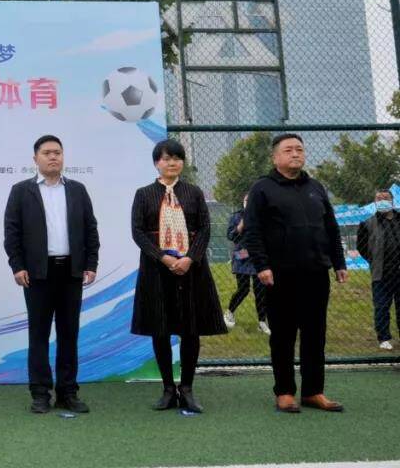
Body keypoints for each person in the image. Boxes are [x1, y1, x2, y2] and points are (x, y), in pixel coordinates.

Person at [242, 133, 348, 413]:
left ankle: (313, 391)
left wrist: (339, 262)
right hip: (279, 276)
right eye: (288, 150)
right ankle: (285, 392)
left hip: (316, 273)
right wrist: (262, 265)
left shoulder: (315, 187)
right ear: (275, 157)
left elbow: (331, 227)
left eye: (299, 149)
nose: (295, 154)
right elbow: (252, 231)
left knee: (315, 334)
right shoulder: (262, 189)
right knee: (283, 336)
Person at [3, 135, 99, 414]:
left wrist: (91, 263)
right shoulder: (21, 191)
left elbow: (90, 229)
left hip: (71, 271)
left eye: (57, 152)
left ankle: (68, 392)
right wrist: (17, 266)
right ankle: (40, 393)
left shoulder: (77, 190)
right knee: (39, 334)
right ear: (35, 159)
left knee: (69, 333)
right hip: (37, 274)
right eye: (47, 153)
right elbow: (12, 233)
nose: (53, 157)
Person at [130, 139, 226, 414]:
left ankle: (187, 388)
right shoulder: (144, 194)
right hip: (157, 270)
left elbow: (205, 228)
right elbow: (138, 232)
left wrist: (189, 258)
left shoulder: (193, 193)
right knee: (160, 328)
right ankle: (167, 389)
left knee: (190, 329)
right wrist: (164, 257)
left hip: (191, 270)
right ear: (156, 163)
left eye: (177, 158)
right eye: (166, 158)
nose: (172, 163)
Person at [356, 189, 400, 351]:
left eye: (385, 198)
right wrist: (374, 261)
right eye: (379, 198)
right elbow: (361, 247)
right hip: (381, 273)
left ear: (392, 201)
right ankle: (384, 338)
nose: (382, 201)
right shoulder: (367, 224)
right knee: (381, 307)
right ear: (375, 202)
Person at [223, 194, 270, 335]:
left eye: (252, 201)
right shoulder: (237, 216)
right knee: (243, 289)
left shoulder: (262, 216)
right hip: (242, 255)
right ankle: (229, 312)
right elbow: (231, 236)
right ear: (243, 202)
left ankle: (262, 322)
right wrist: (241, 225)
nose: (249, 203)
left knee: (260, 291)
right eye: (247, 201)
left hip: (257, 257)